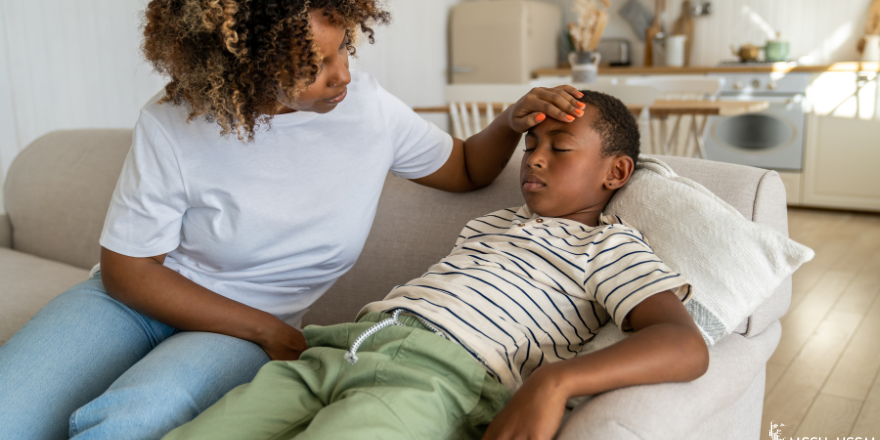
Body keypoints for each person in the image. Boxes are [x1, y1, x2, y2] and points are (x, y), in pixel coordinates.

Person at [0, 1, 589, 439]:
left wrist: (512, 121)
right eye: (314, 64)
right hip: (129, 302)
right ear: (244, 67)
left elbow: (463, 166)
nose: (343, 76)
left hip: (239, 327)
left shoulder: (369, 111)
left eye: (345, 50)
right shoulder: (172, 121)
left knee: (130, 421)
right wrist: (268, 332)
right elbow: (128, 270)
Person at [161, 90, 711, 440]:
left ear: (615, 173)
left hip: (437, 380)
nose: (535, 157)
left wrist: (554, 382)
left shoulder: (610, 247)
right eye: (530, 144)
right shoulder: (496, 222)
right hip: (339, 349)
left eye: (560, 147)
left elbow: (684, 344)